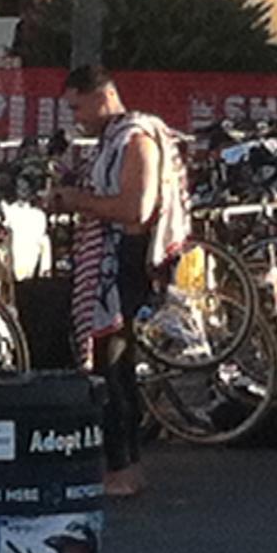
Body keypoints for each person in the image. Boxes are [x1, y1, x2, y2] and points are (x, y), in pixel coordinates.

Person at [47, 66, 190, 498]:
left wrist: (79, 201)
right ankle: (119, 464)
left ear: (103, 95)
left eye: (78, 106)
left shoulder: (135, 139)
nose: (77, 117)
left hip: (124, 261)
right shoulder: (114, 138)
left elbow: (136, 207)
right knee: (110, 364)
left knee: (115, 364)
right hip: (108, 259)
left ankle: (125, 468)